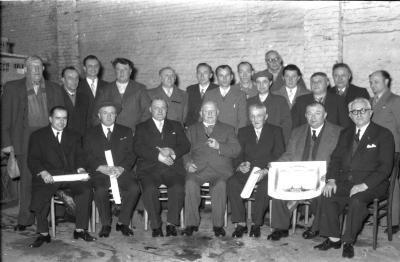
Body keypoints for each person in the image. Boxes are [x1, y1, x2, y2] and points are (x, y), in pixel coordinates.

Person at [315, 98, 395, 258]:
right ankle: (334, 238)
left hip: (373, 183)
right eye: (354, 112)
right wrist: (331, 180)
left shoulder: (383, 134)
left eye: (362, 110)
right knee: (327, 195)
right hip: (347, 181)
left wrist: (364, 185)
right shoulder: (345, 133)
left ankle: (348, 241)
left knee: (357, 200)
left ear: (370, 113)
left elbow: (385, 168)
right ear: (350, 115)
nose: (358, 114)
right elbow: (336, 159)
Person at [1, 55, 64, 231]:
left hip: (49, 139)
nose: (36, 70)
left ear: (43, 69)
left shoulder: (54, 89)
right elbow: (5, 117)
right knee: (27, 182)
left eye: (39, 66)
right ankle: (25, 219)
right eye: (32, 67)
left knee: (48, 179)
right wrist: (7, 143)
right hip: (24, 140)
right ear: (26, 69)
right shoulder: (12, 88)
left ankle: (47, 218)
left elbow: (61, 118)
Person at [267, 102, 342, 241]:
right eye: (309, 113)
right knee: (277, 189)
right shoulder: (297, 131)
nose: (313, 117)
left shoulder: (337, 132)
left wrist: (331, 179)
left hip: (323, 176)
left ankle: (316, 227)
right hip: (298, 174)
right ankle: (281, 227)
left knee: (323, 195)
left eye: (317, 113)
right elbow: (289, 154)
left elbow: (339, 160)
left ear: (325, 115)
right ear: (305, 115)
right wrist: (275, 165)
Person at [27, 106, 95, 247]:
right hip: (49, 176)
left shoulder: (74, 135)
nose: (61, 121)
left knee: (86, 189)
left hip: (70, 175)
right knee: (41, 191)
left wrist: (81, 169)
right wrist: (43, 172)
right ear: (50, 119)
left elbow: (80, 156)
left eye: (64, 118)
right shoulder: (38, 136)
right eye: (58, 118)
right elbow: (33, 159)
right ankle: (43, 233)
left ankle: (80, 229)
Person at [182, 101, 241, 237]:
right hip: (198, 169)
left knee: (220, 186)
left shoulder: (228, 129)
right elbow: (185, 151)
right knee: (190, 183)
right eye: (206, 111)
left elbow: (236, 150)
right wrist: (188, 164)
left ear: (217, 113)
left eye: (212, 111)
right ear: (201, 114)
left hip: (220, 170)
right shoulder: (191, 129)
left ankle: (218, 225)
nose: (209, 114)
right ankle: (191, 224)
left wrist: (219, 146)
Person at [134, 98, 190, 237]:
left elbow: (185, 145)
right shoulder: (141, 127)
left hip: (172, 168)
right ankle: (156, 225)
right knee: (149, 189)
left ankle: (171, 223)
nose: (160, 111)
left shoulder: (176, 125)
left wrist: (172, 151)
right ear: (150, 110)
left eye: (163, 108)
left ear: (167, 110)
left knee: (178, 187)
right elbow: (137, 148)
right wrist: (158, 156)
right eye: (156, 108)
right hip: (149, 169)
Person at [227, 103, 285, 238]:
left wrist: (266, 170)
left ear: (266, 117)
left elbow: (280, 155)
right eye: (252, 116)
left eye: (259, 116)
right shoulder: (243, 131)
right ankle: (240, 223)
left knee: (265, 187)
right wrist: (240, 165)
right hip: (248, 170)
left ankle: (256, 223)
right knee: (232, 182)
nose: (255, 119)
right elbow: (238, 154)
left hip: (267, 171)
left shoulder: (276, 131)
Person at [84, 101, 140, 238]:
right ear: (99, 115)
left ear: (116, 115)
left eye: (112, 113)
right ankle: (106, 224)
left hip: (121, 171)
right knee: (101, 190)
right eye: (105, 113)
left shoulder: (125, 131)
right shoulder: (90, 133)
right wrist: (100, 167)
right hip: (101, 172)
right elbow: (86, 155)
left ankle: (123, 222)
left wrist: (122, 168)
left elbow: (132, 153)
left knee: (134, 188)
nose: (108, 116)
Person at [369, 70, 400, 234]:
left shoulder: (395, 100)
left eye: (376, 81)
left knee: (392, 185)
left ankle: (393, 222)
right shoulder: (370, 101)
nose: (373, 85)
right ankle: (377, 220)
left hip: (392, 150)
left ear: (386, 81)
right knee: (376, 181)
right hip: (374, 151)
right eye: (371, 82)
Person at [93, 57, 151, 134]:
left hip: (134, 133)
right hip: (111, 134)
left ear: (130, 71)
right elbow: (96, 113)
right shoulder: (105, 90)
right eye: (118, 69)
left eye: (125, 69)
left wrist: (138, 131)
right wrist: (103, 132)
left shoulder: (140, 88)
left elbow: (147, 112)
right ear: (115, 71)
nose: (121, 72)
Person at [247, 70, 292, 144]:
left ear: (270, 83)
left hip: (275, 141)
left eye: (264, 82)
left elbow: (287, 124)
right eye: (258, 82)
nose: (261, 85)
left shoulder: (280, 100)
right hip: (255, 142)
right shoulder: (250, 102)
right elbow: (247, 123)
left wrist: (281, 142)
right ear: (255, 84)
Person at [203, 65, 247, 132]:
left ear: (231, 77)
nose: (224, 78)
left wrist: (238, 136)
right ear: (217, 77)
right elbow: (203, 117)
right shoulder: (209, 95)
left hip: (233, 135)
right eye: (221, 76)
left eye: (227, 75)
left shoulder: (240, 95)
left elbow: (242, 120)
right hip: (213, 134)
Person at [77, 55, 109, 128]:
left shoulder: (107, 86)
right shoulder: (77, 86)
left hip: (103, 127)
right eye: (90, 66)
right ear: (84, 68)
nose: (93, 68)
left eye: (96, 66)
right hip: (84, 128)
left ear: (99, 68)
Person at [185, 63, 218, 127]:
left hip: (212, 127)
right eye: (199, 73)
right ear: (196, 75)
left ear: (210, 75)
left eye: (205, 73)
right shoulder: (190, 89)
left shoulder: (217, 89)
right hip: (193, 127)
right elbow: (187, 111)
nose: (202, 76)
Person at [61, 66, 90, 136]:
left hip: (81, 138)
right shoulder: (56, 95)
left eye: (76, 78)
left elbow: (88, 120)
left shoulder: (84, 97)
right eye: (70, 78)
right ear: (63, 80)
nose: (74, 81)